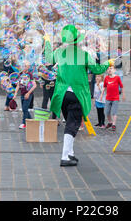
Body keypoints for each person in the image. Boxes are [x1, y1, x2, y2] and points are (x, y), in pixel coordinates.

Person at [44, 25, 112, 167]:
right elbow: (96, 69)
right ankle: (65, 157)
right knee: (72, 124)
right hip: (76, 94)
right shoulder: (84, 55)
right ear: (76, 40)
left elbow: (48, 58)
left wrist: (48, 42)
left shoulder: (58, 52)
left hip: (62, 95)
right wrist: (108, 63)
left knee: (70, 122)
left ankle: (70, 153)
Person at [13, 62, 36, 129]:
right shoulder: (20, 74)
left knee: (25, 108)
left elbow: (34, 85)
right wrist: (15, 94)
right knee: (24, 109)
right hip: (22, 94)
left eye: (25, 66)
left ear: (28, 67)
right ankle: (31, 120)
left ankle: (24, 123)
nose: (23, 67)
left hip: (28, 95)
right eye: (22, 66)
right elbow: (18, 85)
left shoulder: (30, 75)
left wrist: (28, 93)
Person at [102, 66, 125, 132]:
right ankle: (110, 122)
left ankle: (114, 124)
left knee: (114, 112)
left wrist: (123, 94)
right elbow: (104, 87)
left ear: (114, 70)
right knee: (106, 112)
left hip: (115, 98)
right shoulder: (106, 78)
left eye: (111, 68)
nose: (109, 70)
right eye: (108, 69)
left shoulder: (117, 77)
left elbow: (121, 86)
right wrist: (101, 95)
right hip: (108, 98)